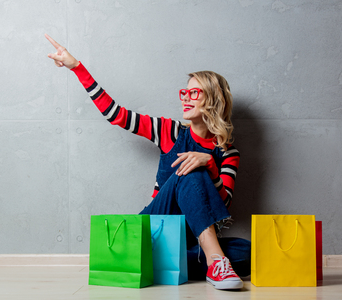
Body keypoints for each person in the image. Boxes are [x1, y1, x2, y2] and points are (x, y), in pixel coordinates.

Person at [45, 34, 250, 290]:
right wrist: (77, 67)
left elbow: (223, 205)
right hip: (156, 223)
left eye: (194, 92)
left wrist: (210, 164)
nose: (185, 97)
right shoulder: (171, 131)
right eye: (184, 92)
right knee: (191, 168)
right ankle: (214, 261)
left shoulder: (228, 153)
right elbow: (116, 115)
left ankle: (156, 262)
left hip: (188, 236)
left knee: (247, 251)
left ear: (213, 99)